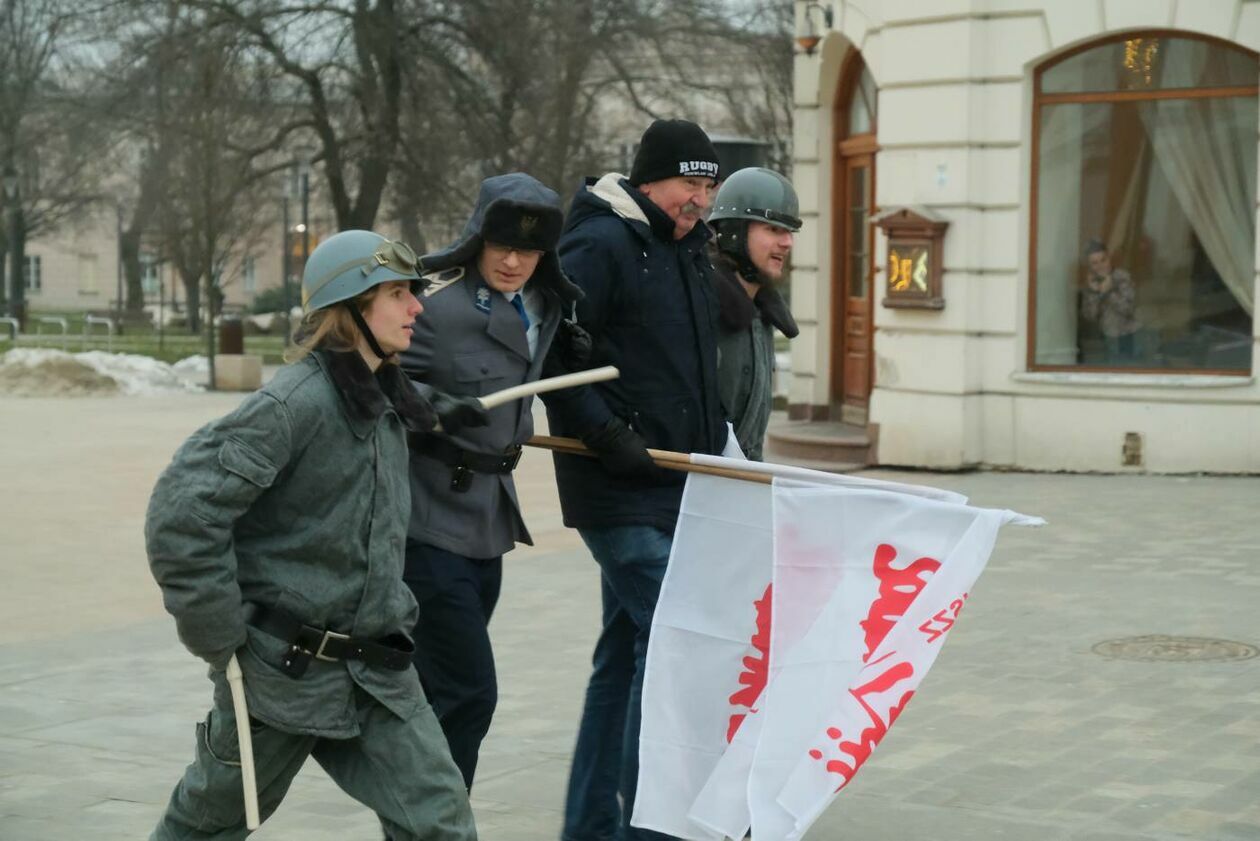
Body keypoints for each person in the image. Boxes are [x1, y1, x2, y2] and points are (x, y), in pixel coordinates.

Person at [144, 230, 477, 841]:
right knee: (207, 827)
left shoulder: (382, 394)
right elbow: (183, 515)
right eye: (399, 294)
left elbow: (373, 406)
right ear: (351, 310)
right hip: (280, 676)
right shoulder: (288, 405)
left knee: (442, 826)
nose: (417, 308)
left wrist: (435, 410)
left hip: (378, 672)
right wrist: (220, 637)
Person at [543, 118, 727, 841]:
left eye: (709, 186)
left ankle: (590, 825)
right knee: (676, 648)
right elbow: (557, 353)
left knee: (622, 660)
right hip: (617, 490)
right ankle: (647, 829)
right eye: (690, 184)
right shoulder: (601, 242)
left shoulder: (686, 248)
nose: (701, 200)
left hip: (677, 488)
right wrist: (607, 434)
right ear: (649, 180)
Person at [398, 172, 581, 790]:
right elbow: (366, 376)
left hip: (488, 523)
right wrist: (428, 404)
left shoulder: (547, 305)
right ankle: (439, 826)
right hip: (428, 522)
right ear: (476, 237)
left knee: (436, 695)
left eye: (528, 250)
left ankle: (420, 824)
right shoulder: (435, 305)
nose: (512, 261)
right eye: (501, 245)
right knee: (468, 694)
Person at [708, 166, 801, 460]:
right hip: (696, 488)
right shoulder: (701, 305)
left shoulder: (762, 315)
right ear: (734, 232)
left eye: (789, 232)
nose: (787, 242)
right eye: (773, 229)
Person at [1080, 239, 1140, 363]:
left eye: (1103, 260)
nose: (1100, 266)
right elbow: (1090, 316)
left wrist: (1109, 292)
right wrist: (1094, 293)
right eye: (1095, 263)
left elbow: (1128, 309)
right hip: (1106, 338)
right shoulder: (1091, 284)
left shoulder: (1122, 277)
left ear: (1109, 259)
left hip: (1128, 337)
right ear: (1090, 266)